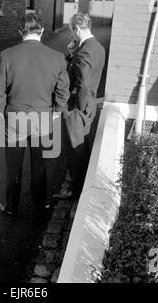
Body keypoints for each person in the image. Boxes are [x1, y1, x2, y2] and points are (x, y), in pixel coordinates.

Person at [0, 13, 70, 219]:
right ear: (42, 31)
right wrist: (56, 112)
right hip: (43, 119)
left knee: (14, 166)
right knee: (39, 166)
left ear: (21, 32)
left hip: (15, 119)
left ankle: (11, 207)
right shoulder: (57, 57)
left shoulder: (7, 55)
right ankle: (40, 206)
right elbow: (63, 91)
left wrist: (2, 116)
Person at [64, 13, 106, 196]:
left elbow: (83, 84)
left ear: (78, 29)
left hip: (80, 107)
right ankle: (81, 184)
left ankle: (75, 189)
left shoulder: (84, 52)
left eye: (72, 31)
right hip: (91, 103)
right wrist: (72, 53)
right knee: (83, 146)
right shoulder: (97, 47)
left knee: (75, 150)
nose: (72, 35)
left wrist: (79, 111)